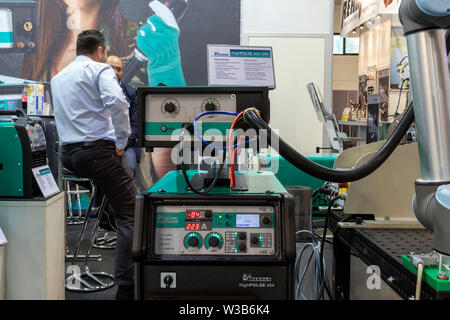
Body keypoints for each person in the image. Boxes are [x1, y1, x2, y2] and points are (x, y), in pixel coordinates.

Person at [51, 30, 136, 300]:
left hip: (69, 157)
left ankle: (106, 205)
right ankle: (127, 286)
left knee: (115, 182)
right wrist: (121, 142)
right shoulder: (100, 70)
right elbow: (118, 103)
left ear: (78, 48)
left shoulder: (58, 77)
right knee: (132, 213)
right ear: (100, 50)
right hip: (97, 153)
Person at [106, 55, 142, 176]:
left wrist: (121, 146)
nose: (115, 72)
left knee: (128, 169)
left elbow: (136, 126)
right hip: (103, 144)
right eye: (111, 68)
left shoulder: (132, 93)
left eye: (118, 69)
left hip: (128, 145)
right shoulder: (94, 93)